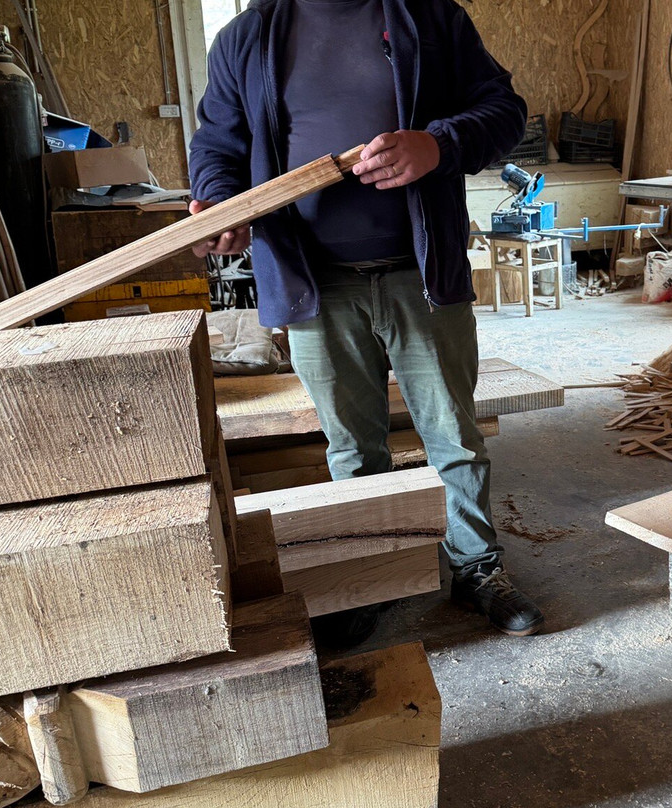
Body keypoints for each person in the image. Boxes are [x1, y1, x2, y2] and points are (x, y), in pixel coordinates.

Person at [188, 0, 544, 637]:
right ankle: (373, 573)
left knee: (454, 436)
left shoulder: (429, 18)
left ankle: (476, 568)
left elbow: (503, 111)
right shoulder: (246, 38)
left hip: (420, 274)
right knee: (352, 447)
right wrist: (220, 205)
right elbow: (219, 146)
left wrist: (438, 145)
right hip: (314, 284)